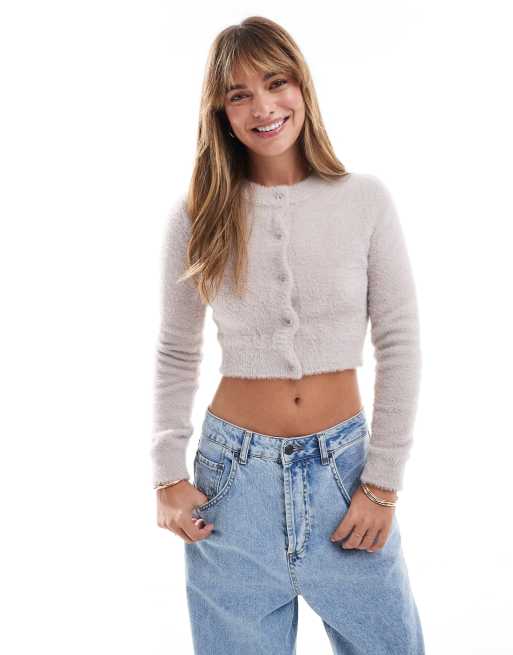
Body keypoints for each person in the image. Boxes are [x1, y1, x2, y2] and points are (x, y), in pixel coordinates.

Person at [151, 15, 425, 655]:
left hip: (346, 481)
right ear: (220, 113)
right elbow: (176, 352)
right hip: (231, 488)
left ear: (302, 86)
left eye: (277, 83)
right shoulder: (197, 215)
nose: (264, 107)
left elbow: (400, 342)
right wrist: (166, 475)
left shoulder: (364, 200)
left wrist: (382, 482)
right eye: (239, 94)